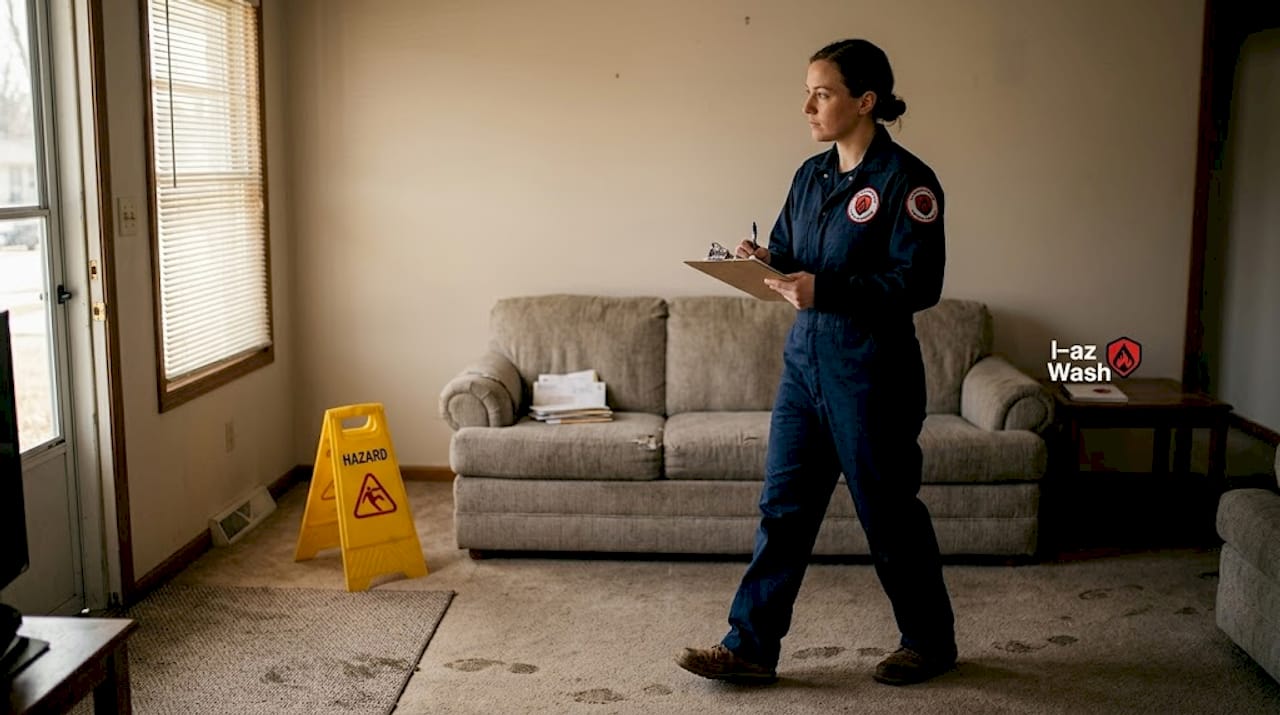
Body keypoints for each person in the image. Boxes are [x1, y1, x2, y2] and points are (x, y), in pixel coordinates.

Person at [676, 38, 956, 686]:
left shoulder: (909, 183)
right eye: (808, 91)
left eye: (822, 92)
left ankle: (930, 640)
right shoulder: (809, 176)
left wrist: (824, 289)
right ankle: (749, 647)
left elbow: (920, 282)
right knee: (783, 507)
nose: (807, 105)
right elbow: (788, 250)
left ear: (865, 101)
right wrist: (762, 261)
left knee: (888, 512)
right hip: (804, 365)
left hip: (872, 369)